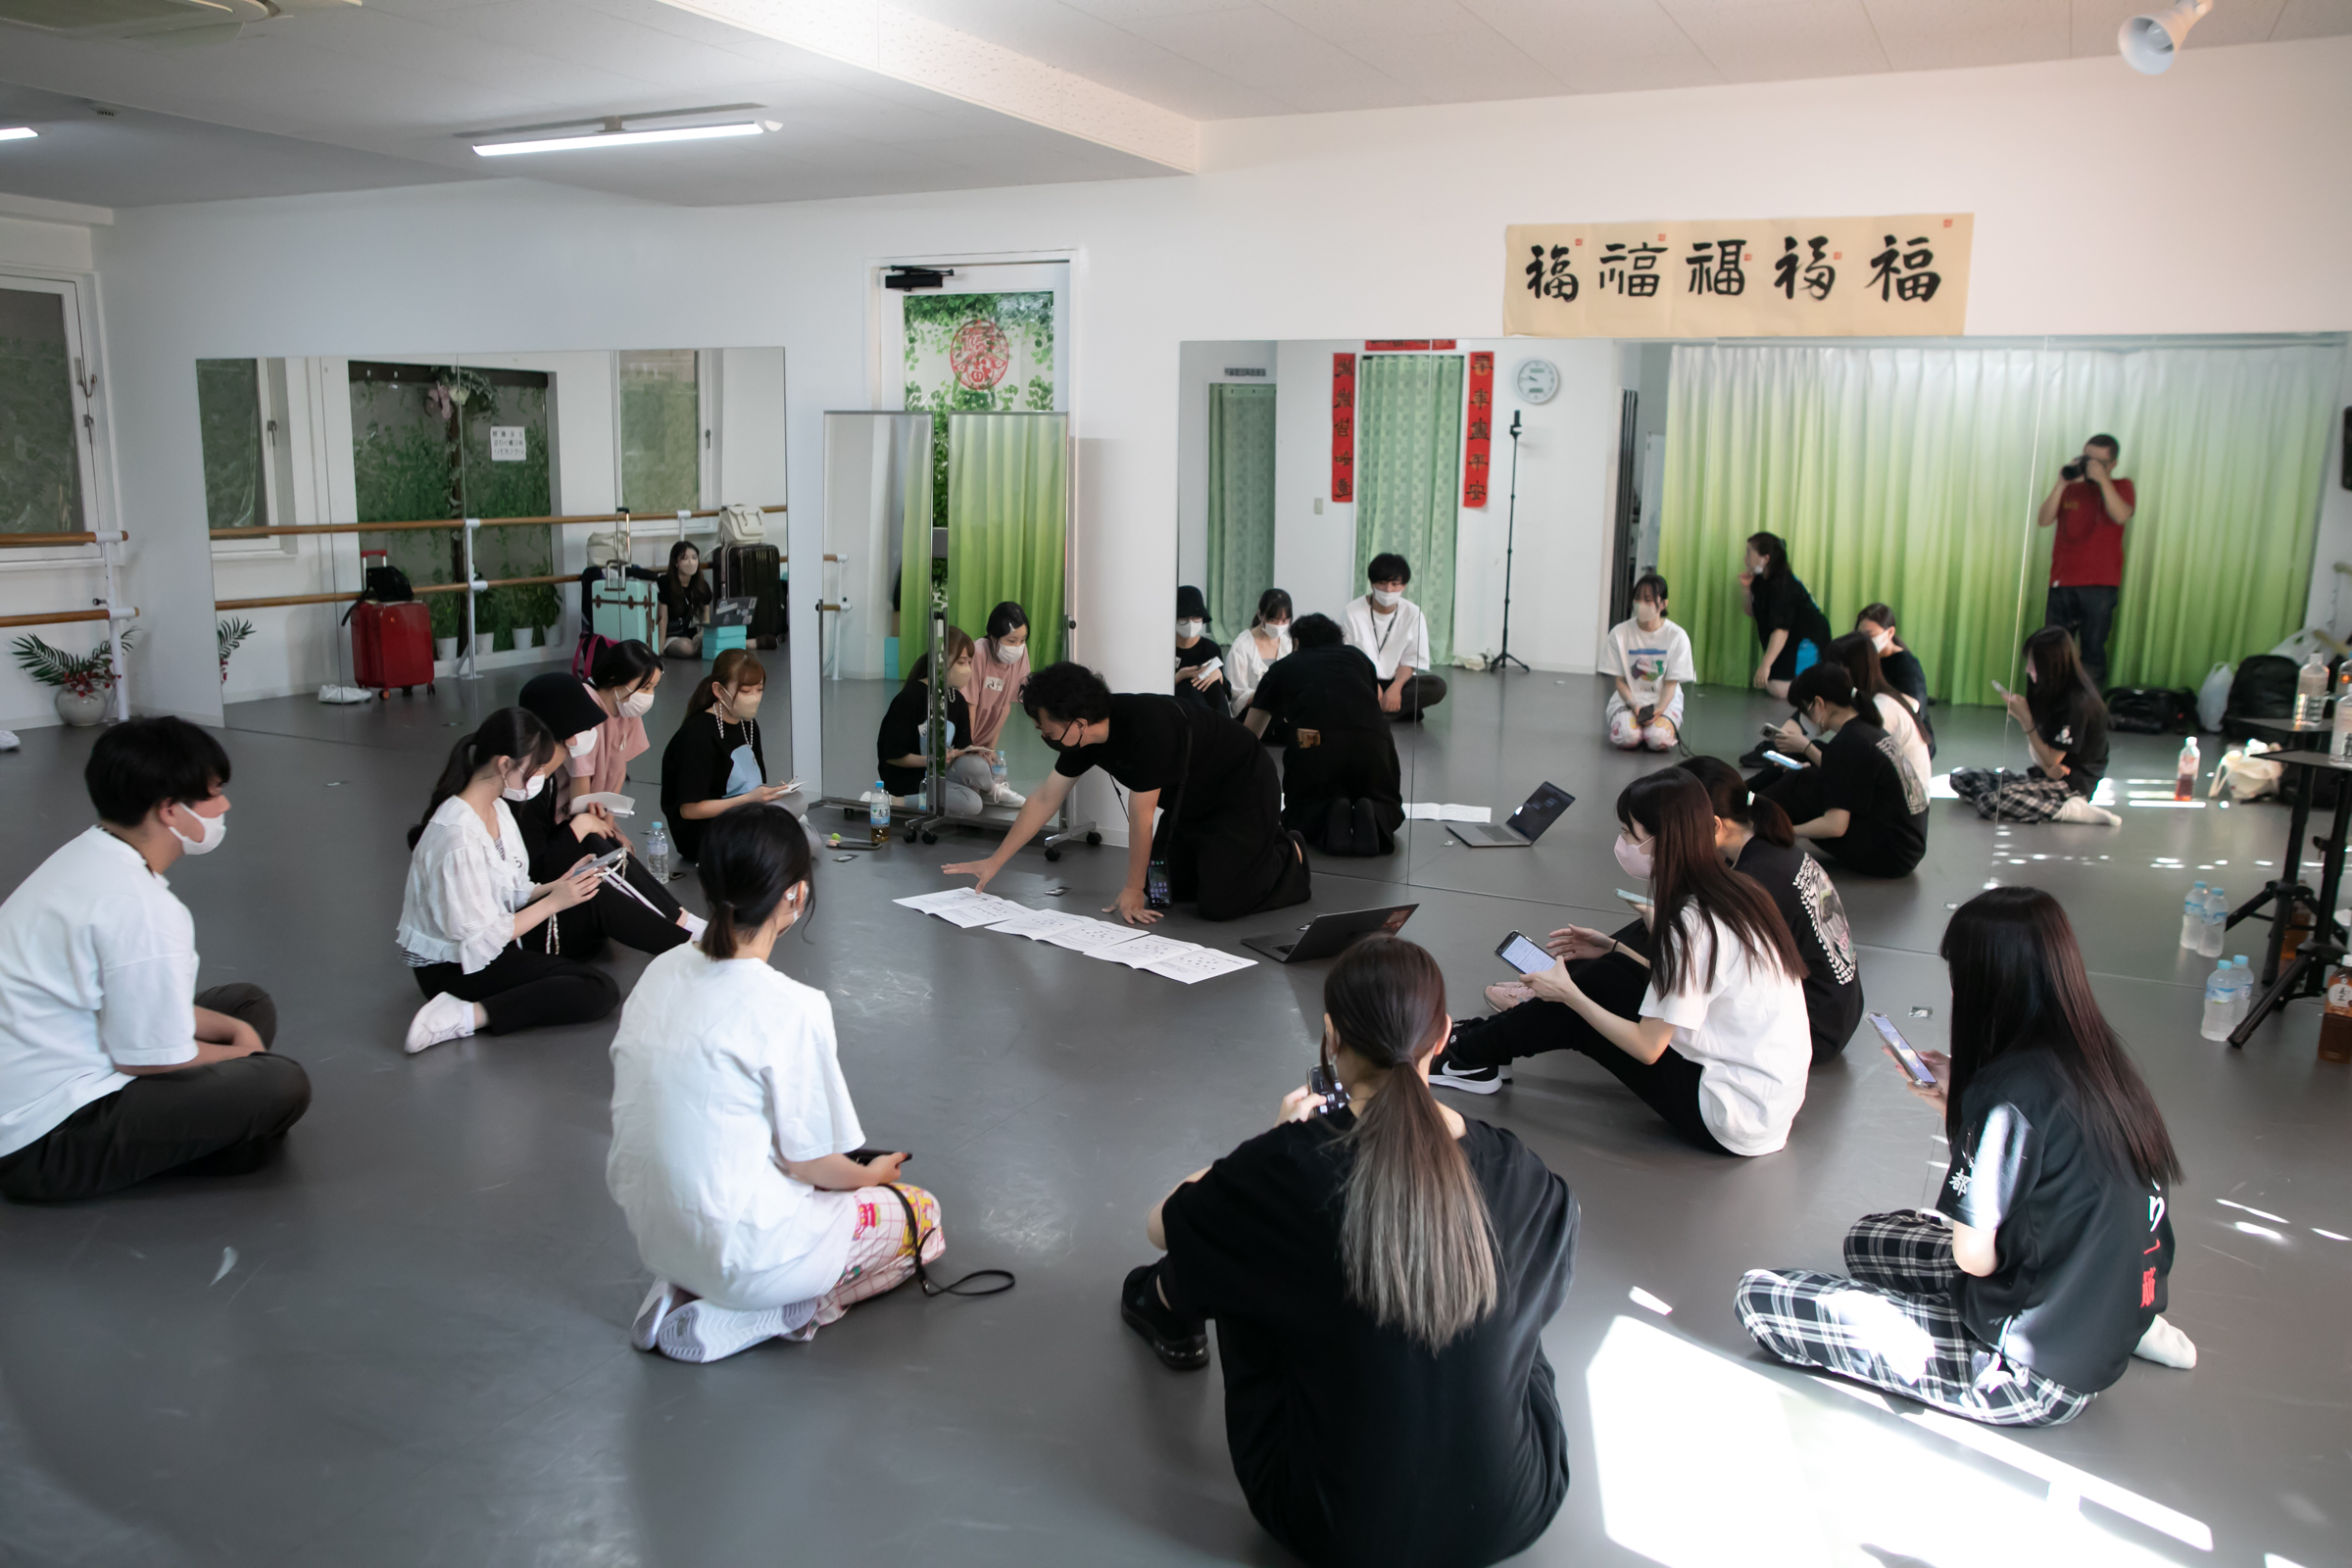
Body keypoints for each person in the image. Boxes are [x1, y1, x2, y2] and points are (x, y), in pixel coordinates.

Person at [1121, 936, 1577, 1568]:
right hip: (1517, 1509)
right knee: (1507, 1289)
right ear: (1444, 1035)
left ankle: (1165, 1305)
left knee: (1250, 1246)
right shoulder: (1521, 1169)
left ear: (1331, 1037)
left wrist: (1271, 1147)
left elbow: (1160, 1226)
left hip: (1331, 1530)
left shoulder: (1284, 1169)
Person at [1737, 887, 2196, 1426]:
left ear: (1985, 982)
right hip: (2104, 1297)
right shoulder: (2098, 1059)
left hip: (2029, 1372)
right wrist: (1958, 1103)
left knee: (1759, 1296)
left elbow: (1975, 1258)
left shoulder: (2005, 1094)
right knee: (1866, 1240)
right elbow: (2028, 1175)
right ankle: (2133, 1328)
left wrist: (1976, 1109)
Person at [610, 807, 948, 1364]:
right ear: (794, 894)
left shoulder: (660, 971)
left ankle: (682, 1289)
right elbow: (811, 1164)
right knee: (923, 1217)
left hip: (656, 1238)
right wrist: (871, 1176)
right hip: (748, 1255)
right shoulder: (791, 1007)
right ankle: (771, 1312)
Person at [0, 717, 310, 1202]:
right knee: (281, 1082)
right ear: (169, 810)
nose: (224, 806)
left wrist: (235, 1033)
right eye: (213, 793)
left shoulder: (86, 854)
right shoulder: (143, 908)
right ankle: (208, 1140)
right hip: (41, 1142)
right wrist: (247, 1056)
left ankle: (206, 1129)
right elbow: (151, 1061)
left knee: (245, 1005)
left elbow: (112, 996)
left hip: (44, 1072)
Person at [1435, 769, 1813, 1157]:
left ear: (1662, 842)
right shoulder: (1738, 890)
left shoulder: (1692, 923)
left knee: (1579, 1007)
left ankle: (1463, 1055)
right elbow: (1694, 986)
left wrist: (1568, 995)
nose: (1622, 843)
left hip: (1731, 1116)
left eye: (1629, 833)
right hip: (1764, 1096)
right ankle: (1478, 1048)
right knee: (1608, 972)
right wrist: (1614, 948)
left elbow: (1648, 1048)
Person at [943, 662, 1310, 924]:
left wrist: (1132, 889)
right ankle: (1227, 858)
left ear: (1078, 722)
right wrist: (995, 861)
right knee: (1164, 894)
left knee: (1221, 905)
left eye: (1046, 730)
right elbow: (1044, 799)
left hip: (1242, 790)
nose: (1043, 736)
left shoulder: (1147, 727)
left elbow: (1142, 815)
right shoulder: (1082, 738)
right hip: (1190, 804)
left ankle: (1288, 852)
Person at [396, 708, 620, 1054]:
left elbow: (509, 889)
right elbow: (480, 939)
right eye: (536, 768)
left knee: (588, 943)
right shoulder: (458, 837)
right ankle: (468, 1015)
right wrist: (554, 901)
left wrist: (557, 885)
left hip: (487, 947)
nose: (541, 776)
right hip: (455, 967)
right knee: (597, 989)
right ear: (504, 765)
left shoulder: (497, 807)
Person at [1676, 758, 1863, 1063]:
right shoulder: (1769, 846)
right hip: (1837, 1011)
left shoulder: (1754, 877)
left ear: (1713, 824)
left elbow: (1707, 964)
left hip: (1812, 1030)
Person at [515, 672, 696, 958]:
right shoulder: (527, 790)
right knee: (595, 871)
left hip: (538, 894)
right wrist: (578, 826)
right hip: (529, 914)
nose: (592, 733)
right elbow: (535, 869)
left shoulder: (544, 780)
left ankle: (683, 921)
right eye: (586, 727)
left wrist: (586, 824)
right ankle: (690, 942)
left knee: (599, 842)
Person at [1244, 612, 1401, 857]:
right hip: (1373, 741)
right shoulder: (1358, 658)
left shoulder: (1284, 666)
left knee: (1302, 806)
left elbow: (1249, 736)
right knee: (1384, 798)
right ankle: (1375, 813)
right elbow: (1373, 702)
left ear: (1296, 642)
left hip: (1315, 741)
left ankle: (1325, 814)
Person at [1755, 663, 1929, 879]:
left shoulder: (1848, 742)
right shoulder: (1866, 727)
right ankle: (1746, 800)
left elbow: (1836, 826)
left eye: (1804, 710)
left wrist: (1789, 831)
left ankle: (1747, 817)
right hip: (1908, 845)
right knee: (1809, 768)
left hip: (1891, 855)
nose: (1805, 718)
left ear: (1819, 704)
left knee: (1801, 782)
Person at [1949, 626, 2118, 825]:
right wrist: (2047, 767)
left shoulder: (2076, 702)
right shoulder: (2048, 689)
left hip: (2070, 785)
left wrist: (2025, 719)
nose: (2028, 669)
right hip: (2047, 775)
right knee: (1961, 778)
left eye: (2033, 662)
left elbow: (2052, 759)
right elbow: (2047, 762)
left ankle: (2069, 809)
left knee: (1990, 802)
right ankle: (2024, 799)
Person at [660, 649, 797, 864]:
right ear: (718, 690)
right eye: (745, 691)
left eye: (759, 689)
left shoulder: (748, 725)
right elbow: (689, 810)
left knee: (798, 805)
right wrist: (749, 800)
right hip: (707, 832)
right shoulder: (697, 735)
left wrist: (771, 794)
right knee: (793, 840)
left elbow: (753, 785)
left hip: (744, 817)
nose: (755, 698)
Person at [876, 626, 1007, 816]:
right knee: (972, 804)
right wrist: (931, 760)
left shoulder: (956, 699)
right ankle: (897, 801)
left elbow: (963, 746)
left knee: (978, 766)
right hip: (910, 779)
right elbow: (892, 756)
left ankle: (990, 789)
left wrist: (970, 752)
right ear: (939, 661)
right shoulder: (910, 698)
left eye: (970, 662)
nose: (967, 669)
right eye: (961, 662)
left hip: (939, 772)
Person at [2036, 435, 2134, 689]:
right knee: (2054, 650)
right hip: (2062, 582)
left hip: (2100, 585)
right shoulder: (2070, 489)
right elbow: (2043, 520)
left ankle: (2088, 708)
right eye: (2087, 458)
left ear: (2112, 464)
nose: (2090, 465)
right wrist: (2061, 483)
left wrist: (2102, 481)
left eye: (2098, 462)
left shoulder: (2122, 486)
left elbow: (2121, 515)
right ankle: (2052, 706)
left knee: (2092, 650)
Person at [1345, 553, 1447, 720]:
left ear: (1404, 586)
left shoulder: (1413, 614)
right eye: (1382, 583)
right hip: (1363, 679)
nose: (1388, 590)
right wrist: (1373, 685)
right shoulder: (1352, 612)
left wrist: (1396, 687)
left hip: (1397, 680)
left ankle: (1373, 716)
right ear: (1372, 583)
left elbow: (1410, 660)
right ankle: (1393, 713)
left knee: (1437, 686)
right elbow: (1349, 659)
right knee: (1336, 684)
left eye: (1394, 584)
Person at [1601, 572, 1695, 752]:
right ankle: (1633, 727)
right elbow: (1620, 681)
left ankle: (1657, 727)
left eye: (1648, 600)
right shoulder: (1619, 633)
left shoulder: (1677, 636)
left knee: (1658, 739)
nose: (1641, 604)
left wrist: (1659, 709)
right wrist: (1634, 705)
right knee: (1628, 737)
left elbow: (1670, 684)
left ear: (1663, 604)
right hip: (1628, 699)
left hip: (1665, 700)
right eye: (1637, 598)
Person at [1825, 631, 1934, 786]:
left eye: (1836, 668)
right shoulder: (1879, 697)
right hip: (1896, 786)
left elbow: (1854, 767)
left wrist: (1805, 747)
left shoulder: (1883, 707)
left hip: (1907, 795)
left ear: (1851, 670)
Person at [1740, 532, 1834, 702]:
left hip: (1806, 640)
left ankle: (1819, 686)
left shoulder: (1784, 587)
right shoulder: (1760, 580)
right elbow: (1750, 611)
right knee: (1772, 684)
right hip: (1787, 641)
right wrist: (1746, 589)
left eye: (1749, 553)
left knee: (1777, 688)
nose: (1745, 558)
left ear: (1765, 559)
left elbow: (1781, 630)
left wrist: (1765, 665)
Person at [574, 639, 662, 802]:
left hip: (600, 806)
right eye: (645, 688)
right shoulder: (584, 708)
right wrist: (588, 814)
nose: (650, 695)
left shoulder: (627, 707)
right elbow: (579, 777)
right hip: (572, 808)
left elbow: (619, 767)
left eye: (653, 688)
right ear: (615, 680)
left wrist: (609, 811)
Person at [968, 601, 1030, 754]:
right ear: (993, 636)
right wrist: (968, 746)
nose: (1018, 646)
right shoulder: (979, 653)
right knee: (974, 766)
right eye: (1011, 641)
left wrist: (991, 748)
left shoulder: (1021, 654)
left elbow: (1004, 706)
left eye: (1022, 640)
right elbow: (970, 705)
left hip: (986, 738)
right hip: (965, 736)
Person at [1225, 588, 1293, 722]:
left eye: (1284, 621)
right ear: (1260, 615)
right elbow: (1236, 695)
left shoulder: (1288, 645)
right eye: (1273, 620)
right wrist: (1268, 695)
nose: (1279, 625)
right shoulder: (1242, 647)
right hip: (1249, 716)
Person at [1855, 603, 1928, 710]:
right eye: (1860, 635)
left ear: (1890, 632)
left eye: (1870, 635)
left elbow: (1912, 706)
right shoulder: (1864, 658)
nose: (1865, 641)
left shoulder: (1907, 665)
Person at [1173, 585, 1226, 714]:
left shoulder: (1211, 648)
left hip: (1209, 709)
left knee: (1214, 685)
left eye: (1196, 618)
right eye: (1184, 619)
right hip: (1177, 709)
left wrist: (1218, 674)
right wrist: (1180, 676)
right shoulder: (1167, 649)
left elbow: (1226, 690)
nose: (1190, 623)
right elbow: (1156, 688)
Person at [658, 540, 713, 659]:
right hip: (671, 637)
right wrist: (660, 648)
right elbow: (663, 618)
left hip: (690, 635)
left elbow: (705, 617)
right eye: (685, 558)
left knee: (712, 640)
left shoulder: (702, 585)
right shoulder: (665, 583)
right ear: (676, 563)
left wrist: (707, 636)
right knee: (688, 648)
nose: (691, 562)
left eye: (694, 558)